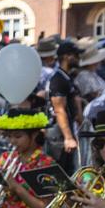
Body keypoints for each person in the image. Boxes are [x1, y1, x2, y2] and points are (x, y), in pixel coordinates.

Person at [46, 40, 83, 172]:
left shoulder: (66, 77)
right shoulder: (58, 79)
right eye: (76, 55)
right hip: (59, 136)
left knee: (69, 172)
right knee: (61, 174)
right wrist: (68, 137)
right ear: (67, 57)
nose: (79, 59)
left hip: (65, 131)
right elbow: (59, 109)